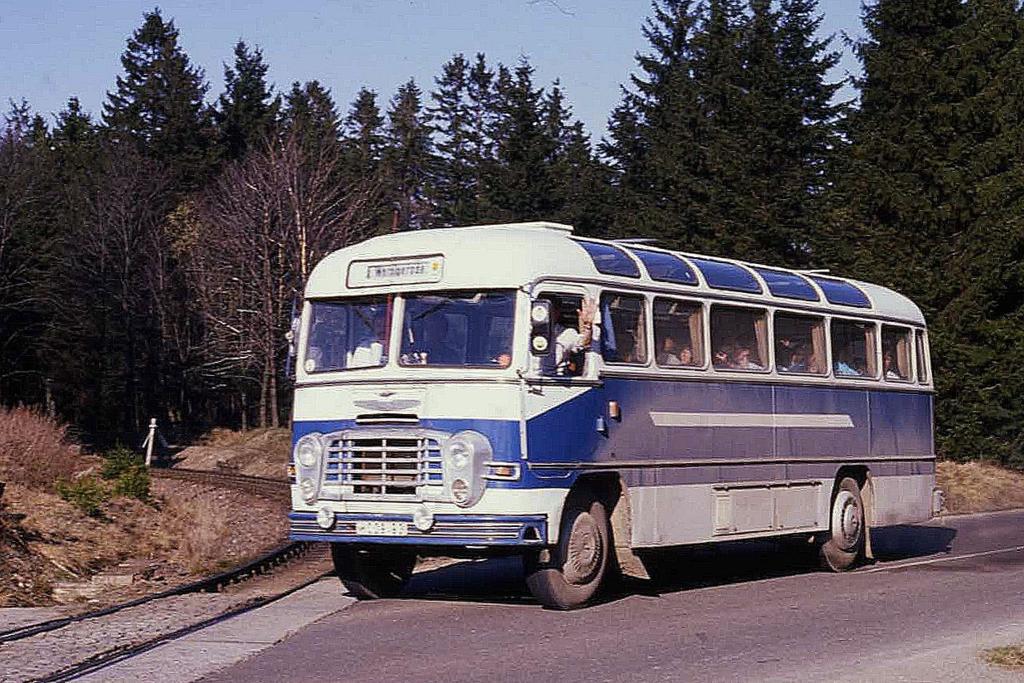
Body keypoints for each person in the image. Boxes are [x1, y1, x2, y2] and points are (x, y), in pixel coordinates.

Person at [545, 297, 597, 375]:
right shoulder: (524, 331)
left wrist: (587, 325)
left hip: (555, 381)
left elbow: (584, 343)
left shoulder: (567, 333)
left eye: (550, 309)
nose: (546, 313)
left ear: (557, 312)